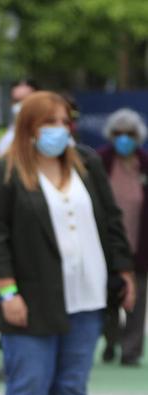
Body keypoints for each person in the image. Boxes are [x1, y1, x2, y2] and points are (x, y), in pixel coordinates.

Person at [0, 91, 135, 395]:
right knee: (28, 383)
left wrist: (123, 270)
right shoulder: (5, 172)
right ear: (29, 128)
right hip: (30, 298)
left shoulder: (88, 164)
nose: (59, 131)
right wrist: (7, 291)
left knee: (71, 386)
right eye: (49, 123)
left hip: (87, 296)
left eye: (64, 122)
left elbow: (111, 221)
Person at [98, 108, 148, 366]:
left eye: (129, 134)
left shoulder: (145, 162)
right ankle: (110, 340)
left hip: (139, 246)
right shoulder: (101, 161)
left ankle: (131, 351)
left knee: (137, 302)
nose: (124, 138)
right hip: (106, 246)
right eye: (119, 133)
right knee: (107, 301)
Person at [0, 78, 39, 157]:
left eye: (26, 100)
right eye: (16, 101)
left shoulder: (48, 135)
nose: (20, 105)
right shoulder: (7, 136)